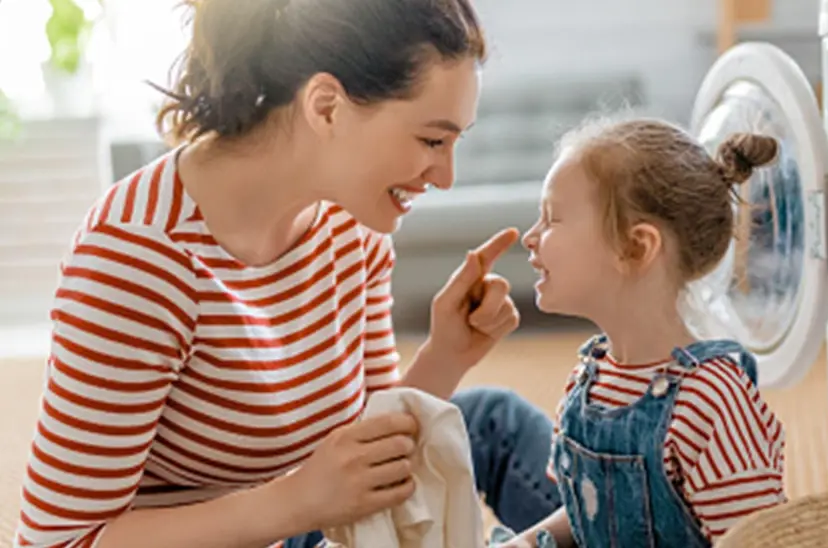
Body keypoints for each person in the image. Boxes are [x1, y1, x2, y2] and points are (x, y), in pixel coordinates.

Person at [11, 0, 558, 547]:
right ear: (326, 107)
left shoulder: (352, 225)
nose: (445, 176)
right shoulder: (140, 258)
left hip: (304, 526)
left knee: (491, 421)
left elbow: (364, 454)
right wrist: (297, 501)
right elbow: (60, 541)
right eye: (431, 141)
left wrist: (446, 355)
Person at [498, 119, 790, 547]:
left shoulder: (711, 400)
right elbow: (588, 516)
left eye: (552, 218)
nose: (530, 236)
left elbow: (761, 540)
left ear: (636, 247)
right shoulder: (589, 380)